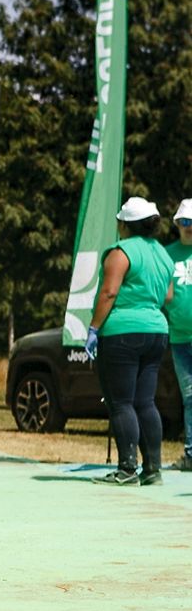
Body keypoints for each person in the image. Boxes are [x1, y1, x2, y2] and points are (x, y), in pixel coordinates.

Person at [85, 197, 175, 486]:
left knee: (120, 402)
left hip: (122, 332)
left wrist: (94, 328)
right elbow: (169, 296)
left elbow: (109, 292)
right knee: (145, 402)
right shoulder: (162, 254)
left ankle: (126, 470)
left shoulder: (120, 252)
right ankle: (153, 469)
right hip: (157, 330)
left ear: (124, 224)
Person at [165, 198, 192, 472]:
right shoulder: (167, 254)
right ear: (176, 224)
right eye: (184, 222)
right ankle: (191, 454)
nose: (189, 227)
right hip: (180, 337)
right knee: (190, 397)